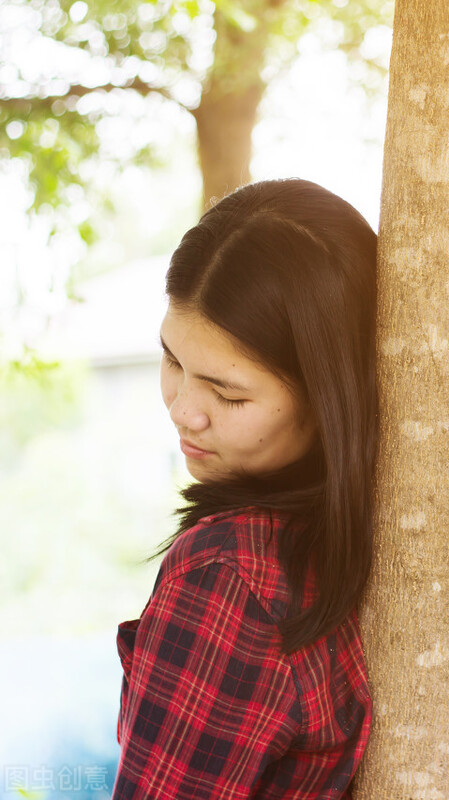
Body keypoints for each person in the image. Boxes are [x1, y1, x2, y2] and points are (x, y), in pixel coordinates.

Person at [113, 179, 378, 799]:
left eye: (227, 393)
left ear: (327, 399)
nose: (183, 410)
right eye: (173, 361)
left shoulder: (229, 576)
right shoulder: (334, 542)